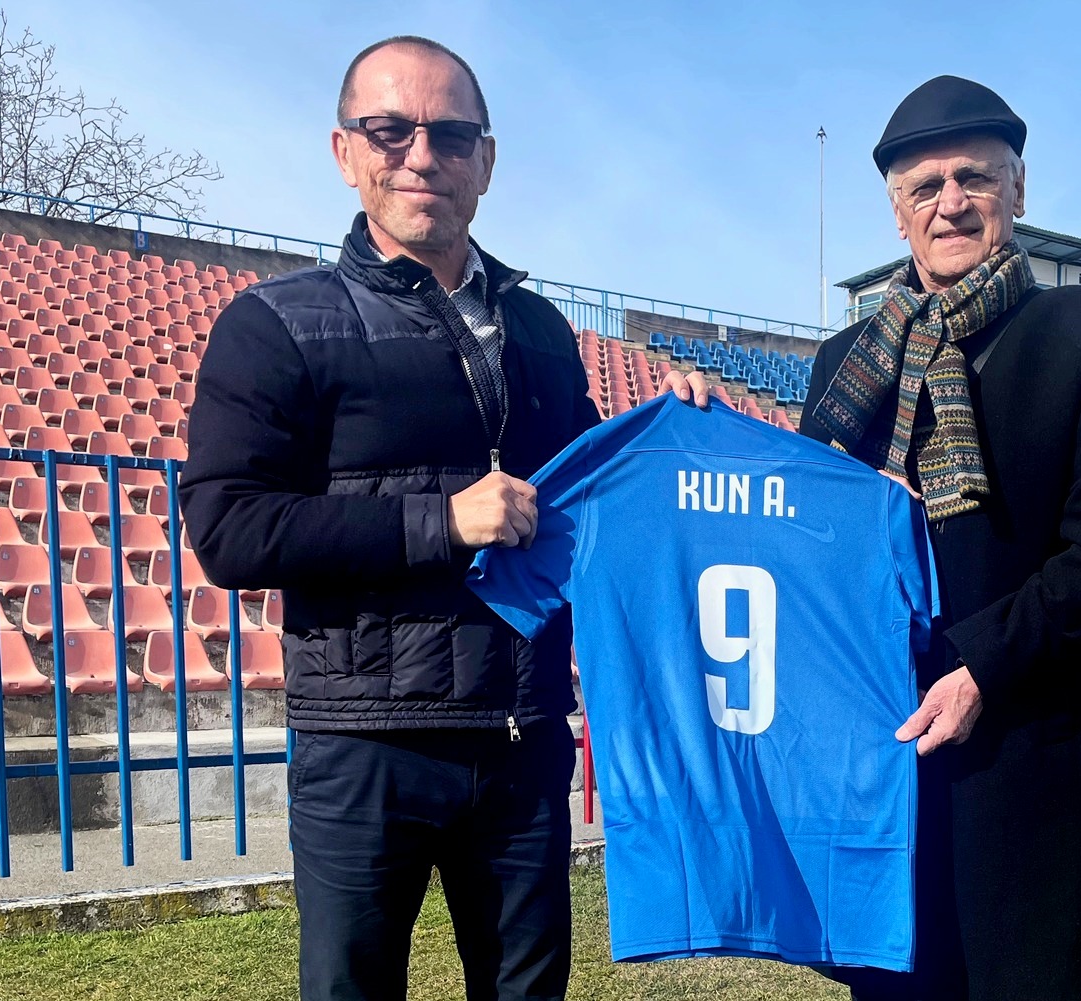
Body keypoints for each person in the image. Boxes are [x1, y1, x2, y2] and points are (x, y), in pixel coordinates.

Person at [180, 36, 703, 1001]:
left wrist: (670, 427)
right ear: (345, 150)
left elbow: (588, 498)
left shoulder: (542, 329)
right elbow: (229, 528)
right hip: (365, 742)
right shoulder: (276, 323)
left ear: (485, 161)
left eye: (451, 135)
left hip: (521, 734)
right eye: (390, 130)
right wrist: (442, 521)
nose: (422, 155)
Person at [799, 75, 1081, 1001]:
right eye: (925, 187)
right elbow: (803, 540)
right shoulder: (844, 366)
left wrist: (978, 669)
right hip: (886, 760)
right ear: (898, 214)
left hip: (1029, 750)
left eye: (975, 178)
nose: (951, 202)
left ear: (1018, 190)